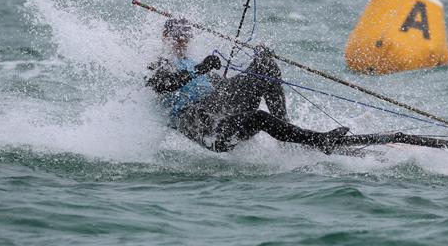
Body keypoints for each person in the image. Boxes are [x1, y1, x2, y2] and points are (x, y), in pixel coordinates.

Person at [146, 18, 349, 153]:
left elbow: (225, 88)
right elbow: (162, 86)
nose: (181, 40)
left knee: (265, 65)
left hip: (219, 109)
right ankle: (319, 141)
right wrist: (201, 68)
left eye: (185, 36)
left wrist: (256, 63)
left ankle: (288, 134)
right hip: (206, 128)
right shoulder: (160, 63)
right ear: (165, 37)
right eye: (176, 36)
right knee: (259, 117)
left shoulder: (192, 62)